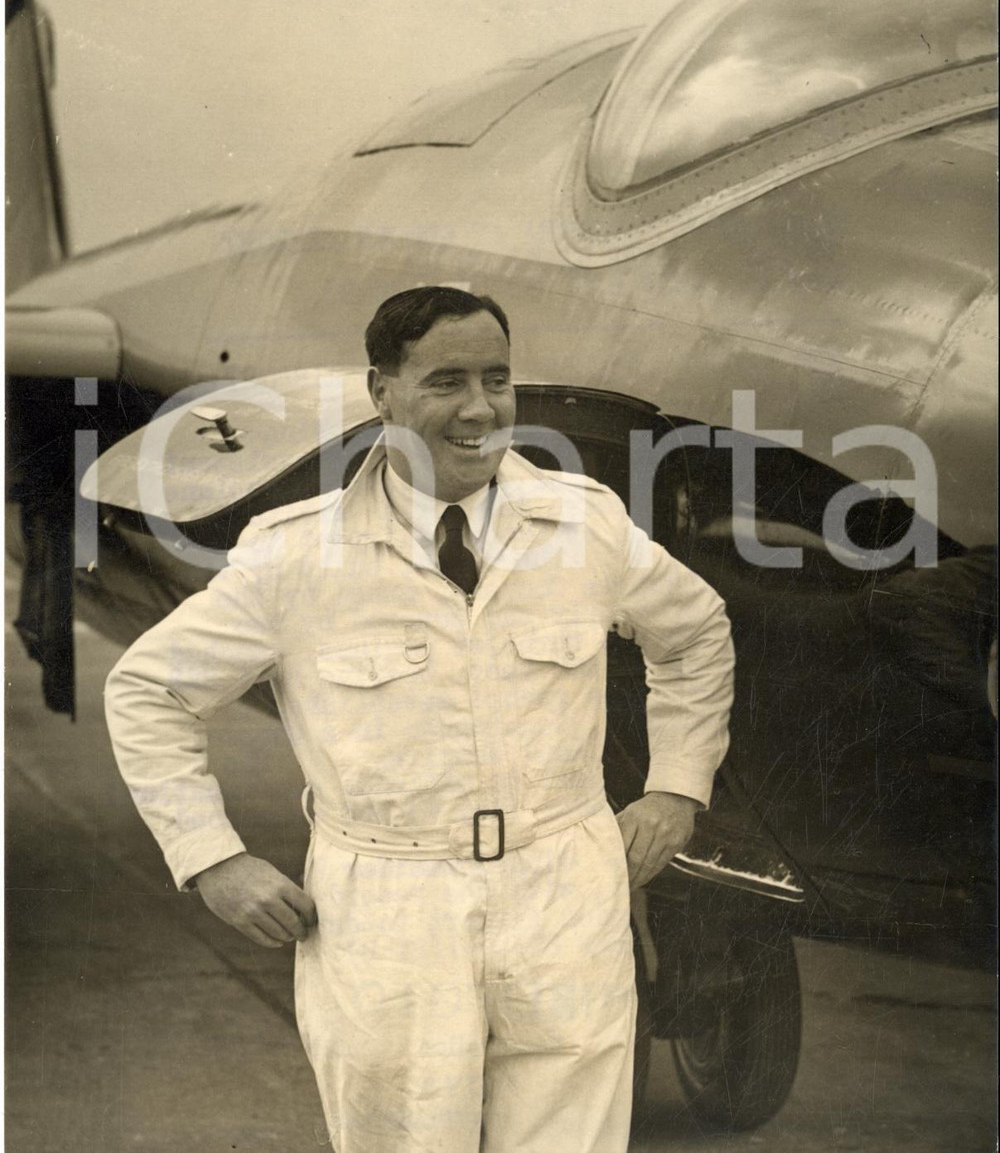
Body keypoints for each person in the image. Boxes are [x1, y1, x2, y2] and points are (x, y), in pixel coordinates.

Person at [105, 286, 734, 1153]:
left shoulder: (583, 525)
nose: (480, 408)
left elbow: (696, 631)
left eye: (498, 379)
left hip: (565, 890)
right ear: (382, 392)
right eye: (446, 381)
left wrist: (676, 788)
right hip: (389, 908)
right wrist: (212, 859)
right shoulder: (295, 556)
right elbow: (148, 689)